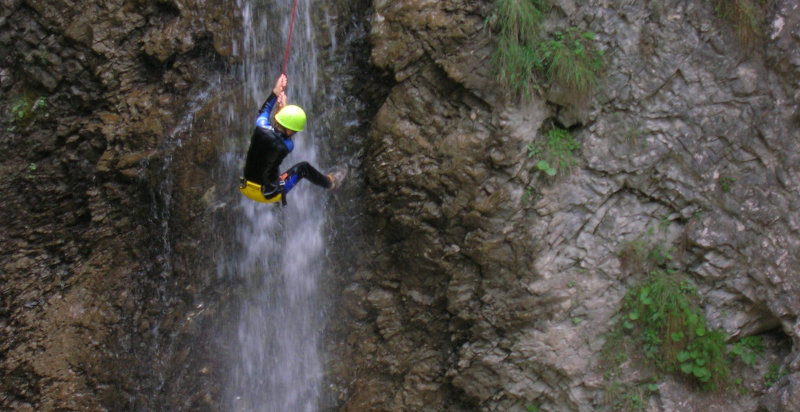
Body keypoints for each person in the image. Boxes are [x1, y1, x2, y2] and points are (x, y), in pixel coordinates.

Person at [239, 74, 345, 205]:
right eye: (294, 131)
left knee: (265, 160)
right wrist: (283, 108)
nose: (294, 133)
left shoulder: (260, 125)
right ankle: (330, 183)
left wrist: (275, 93)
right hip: (267, 195)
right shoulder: (287, 145)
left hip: (245, 187)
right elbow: (281, 135)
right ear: (290, 130)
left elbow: (265, 110)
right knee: (303, 168)